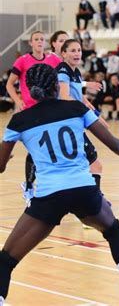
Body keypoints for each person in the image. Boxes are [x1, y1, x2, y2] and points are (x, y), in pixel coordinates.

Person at [0, 63, 119, 305]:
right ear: (55, 86)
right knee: (114, 231)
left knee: (6, 260)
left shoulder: (19, 121)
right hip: (83, 189)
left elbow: (0, 166)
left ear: (28, 89)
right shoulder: (76, 108)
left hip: (49, 196)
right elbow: (113, 143)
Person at [5, 31, 65, 203]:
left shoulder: (54, 60)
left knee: (50, 148)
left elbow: (63, 80)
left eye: (42, 39)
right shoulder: (23, 60)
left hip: (50, 108)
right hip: (31, 110)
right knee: (35, 148)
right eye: (36, 40)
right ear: (31, 43)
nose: (39, 42)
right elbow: (10, 84)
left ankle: (46, 185)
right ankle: (30, 186)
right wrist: (18, 101)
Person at [57, 39, 105, 192]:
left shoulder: (75, 72)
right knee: (94, 165)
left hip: (74, 124)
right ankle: (95, 202)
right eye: (72, 50)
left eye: (79, 50)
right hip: (68, 125)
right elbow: (65, 97)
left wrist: (96, 114)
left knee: (83, 167)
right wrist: (89, 115)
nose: (77, 53)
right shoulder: (63, 71)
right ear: (63, 53)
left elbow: (80, 97)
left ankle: (91, 201)